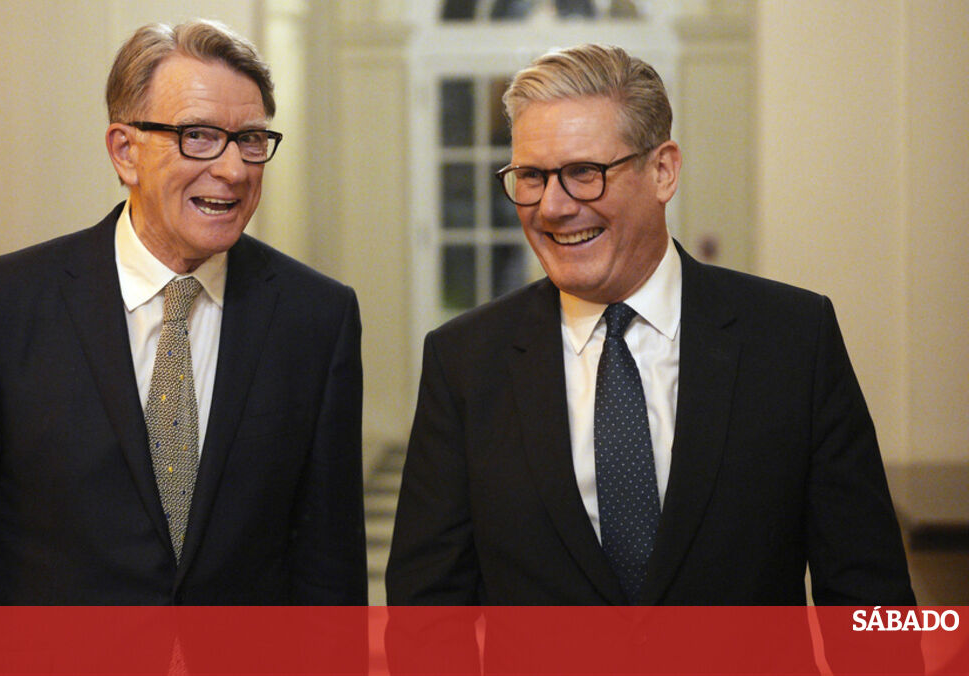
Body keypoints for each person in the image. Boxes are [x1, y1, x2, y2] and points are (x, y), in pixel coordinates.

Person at [387, 44, 913, 607]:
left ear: (663, 171)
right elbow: (427, 611)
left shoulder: (793, 340)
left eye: (584, 173)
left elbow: (871, 598)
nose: (553, 207)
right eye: (532, 176)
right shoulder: (465, 361)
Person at [0, 20, 366, 605]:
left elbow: (329, 569)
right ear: (125, 151)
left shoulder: (317, 318)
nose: (234, 170)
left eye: (251, 139)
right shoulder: (3, 306)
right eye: (199, 136)